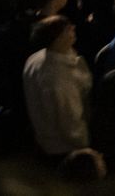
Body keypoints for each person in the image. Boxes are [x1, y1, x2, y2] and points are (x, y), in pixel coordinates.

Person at [22, 15, 92, 159]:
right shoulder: (58, 77)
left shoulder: (36, 58)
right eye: (67, 29)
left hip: (47, 140)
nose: (73, 28)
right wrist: (85, 144)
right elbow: (68, 117)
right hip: (64, 147)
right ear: (57, 38)